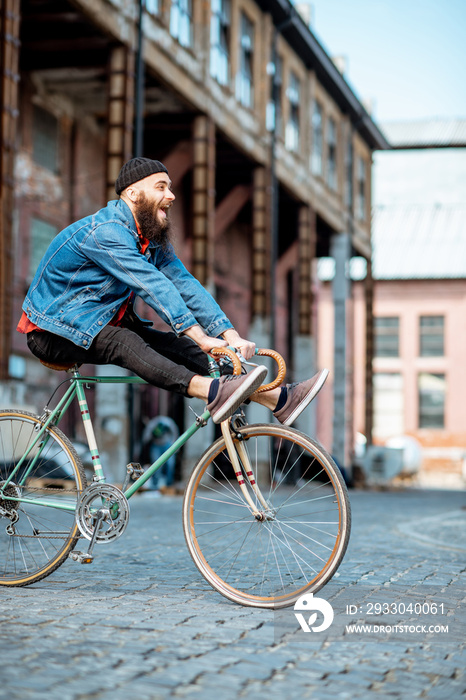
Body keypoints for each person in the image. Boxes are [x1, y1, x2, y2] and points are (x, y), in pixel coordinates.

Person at [18, 157, 328, 424]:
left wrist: (227, 335)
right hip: (51, 332)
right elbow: (152, 284)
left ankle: (279, 399)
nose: (172, 195)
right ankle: (212, 392)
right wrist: (199, 333)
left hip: (97, 323)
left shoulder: (150, 240)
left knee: (182, 348)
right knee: (126, 342)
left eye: (170, 186)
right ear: (133, 193)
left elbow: (184, 283)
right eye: (161, 187)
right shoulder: (105, 233)